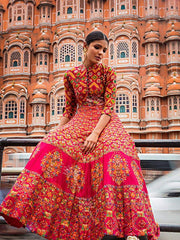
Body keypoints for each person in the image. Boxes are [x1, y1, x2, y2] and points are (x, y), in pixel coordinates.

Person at [0, 31, 160, 240]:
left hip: (106, 121)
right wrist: (56, 132)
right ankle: (29, 210)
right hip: (80, 120)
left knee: (117, 155)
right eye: (97, 47)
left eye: (104, 49)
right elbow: (69, 110)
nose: (101, 53)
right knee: (46, 147)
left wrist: (95, 134)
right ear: (86, 46)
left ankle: (131, 229)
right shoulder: (71, 76)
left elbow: (109, 108)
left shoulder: (108, 73)